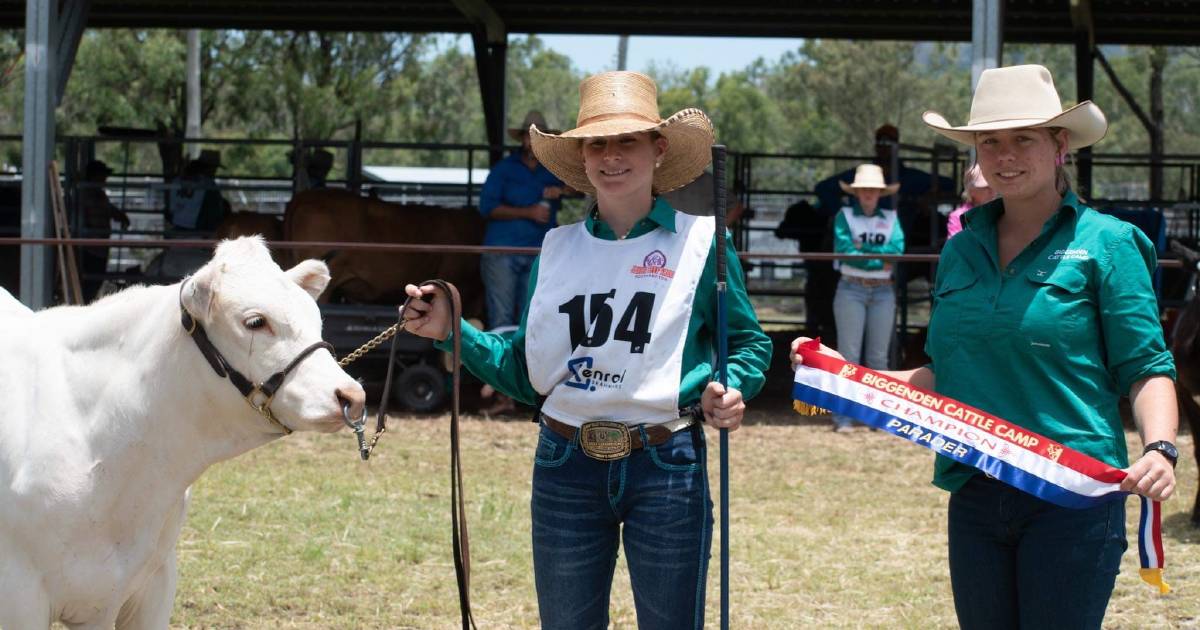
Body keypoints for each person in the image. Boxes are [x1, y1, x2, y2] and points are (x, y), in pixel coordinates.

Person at [792, 64, 1178, 628]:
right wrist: (842, 381)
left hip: (1071, 495)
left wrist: (1160, 448)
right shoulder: (961, 248)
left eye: (1024, 138)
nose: (1006, 155)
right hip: (974, 490)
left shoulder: (1109, 244)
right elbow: (943, 374)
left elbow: (1147, 367)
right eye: (990, 141)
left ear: (1059, 145)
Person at [403, 70, 771, 629]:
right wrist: (454, 331)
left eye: (627, 140)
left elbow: (745, 342)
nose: (611, 156)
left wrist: (735, 386)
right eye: (597, 143)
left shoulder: (705, 243)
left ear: (658, 148)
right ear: (582, 157)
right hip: (564, 463)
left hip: (668, 462)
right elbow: (527, 373)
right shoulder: (555, 248)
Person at [478, 110, 567, 331]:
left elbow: (582, 186)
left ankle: (526, 365)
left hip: (537, 252)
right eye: (530, 136)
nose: (533, 141)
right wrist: (529, 213)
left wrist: (561, 190)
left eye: (539, 136)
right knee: (502, 316)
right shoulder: (504, 170)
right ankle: (502, 365)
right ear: (523, 139)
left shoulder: (554, 168)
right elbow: (486, 207)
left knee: (532, 316)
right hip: (502, 252)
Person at [831, 164, 904, 432]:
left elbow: (895, 252)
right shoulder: (845, 215)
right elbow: (846, 251)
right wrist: (879, 257)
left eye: (873, 190)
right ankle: (843, 417)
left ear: (880, 193)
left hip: (881, 290)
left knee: (878, 357)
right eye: (865, 190)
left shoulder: (891, 217)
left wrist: (864, 251)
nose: (869, 194)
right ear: (857, 192)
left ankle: (878, 417)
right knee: (848, 355)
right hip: (853, 287)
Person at [77, 159, 130, 301]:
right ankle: (83, 303)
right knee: (90, 281)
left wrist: (121, 216)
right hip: (90, 248)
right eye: (102, 175)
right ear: (94, 176)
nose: (105, 179)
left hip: (98, 247)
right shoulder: (87, 195)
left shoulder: (99, 194)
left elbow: (109, 210)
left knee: (95, 280)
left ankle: (85, 302)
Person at [168, 149, 231, 235]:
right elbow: (216, 213)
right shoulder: (209, 185)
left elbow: (169, 210)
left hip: (176, 230)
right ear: (209, 168)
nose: (215, 172)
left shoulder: (177, 181)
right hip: (198, 233)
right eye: (214, 168)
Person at [946, 163, 994, 238]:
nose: (991, 191)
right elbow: (956, 246)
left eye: (992, 186)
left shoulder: (1002, 212)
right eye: (985, 188)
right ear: (971, 191)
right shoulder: (959, 216)